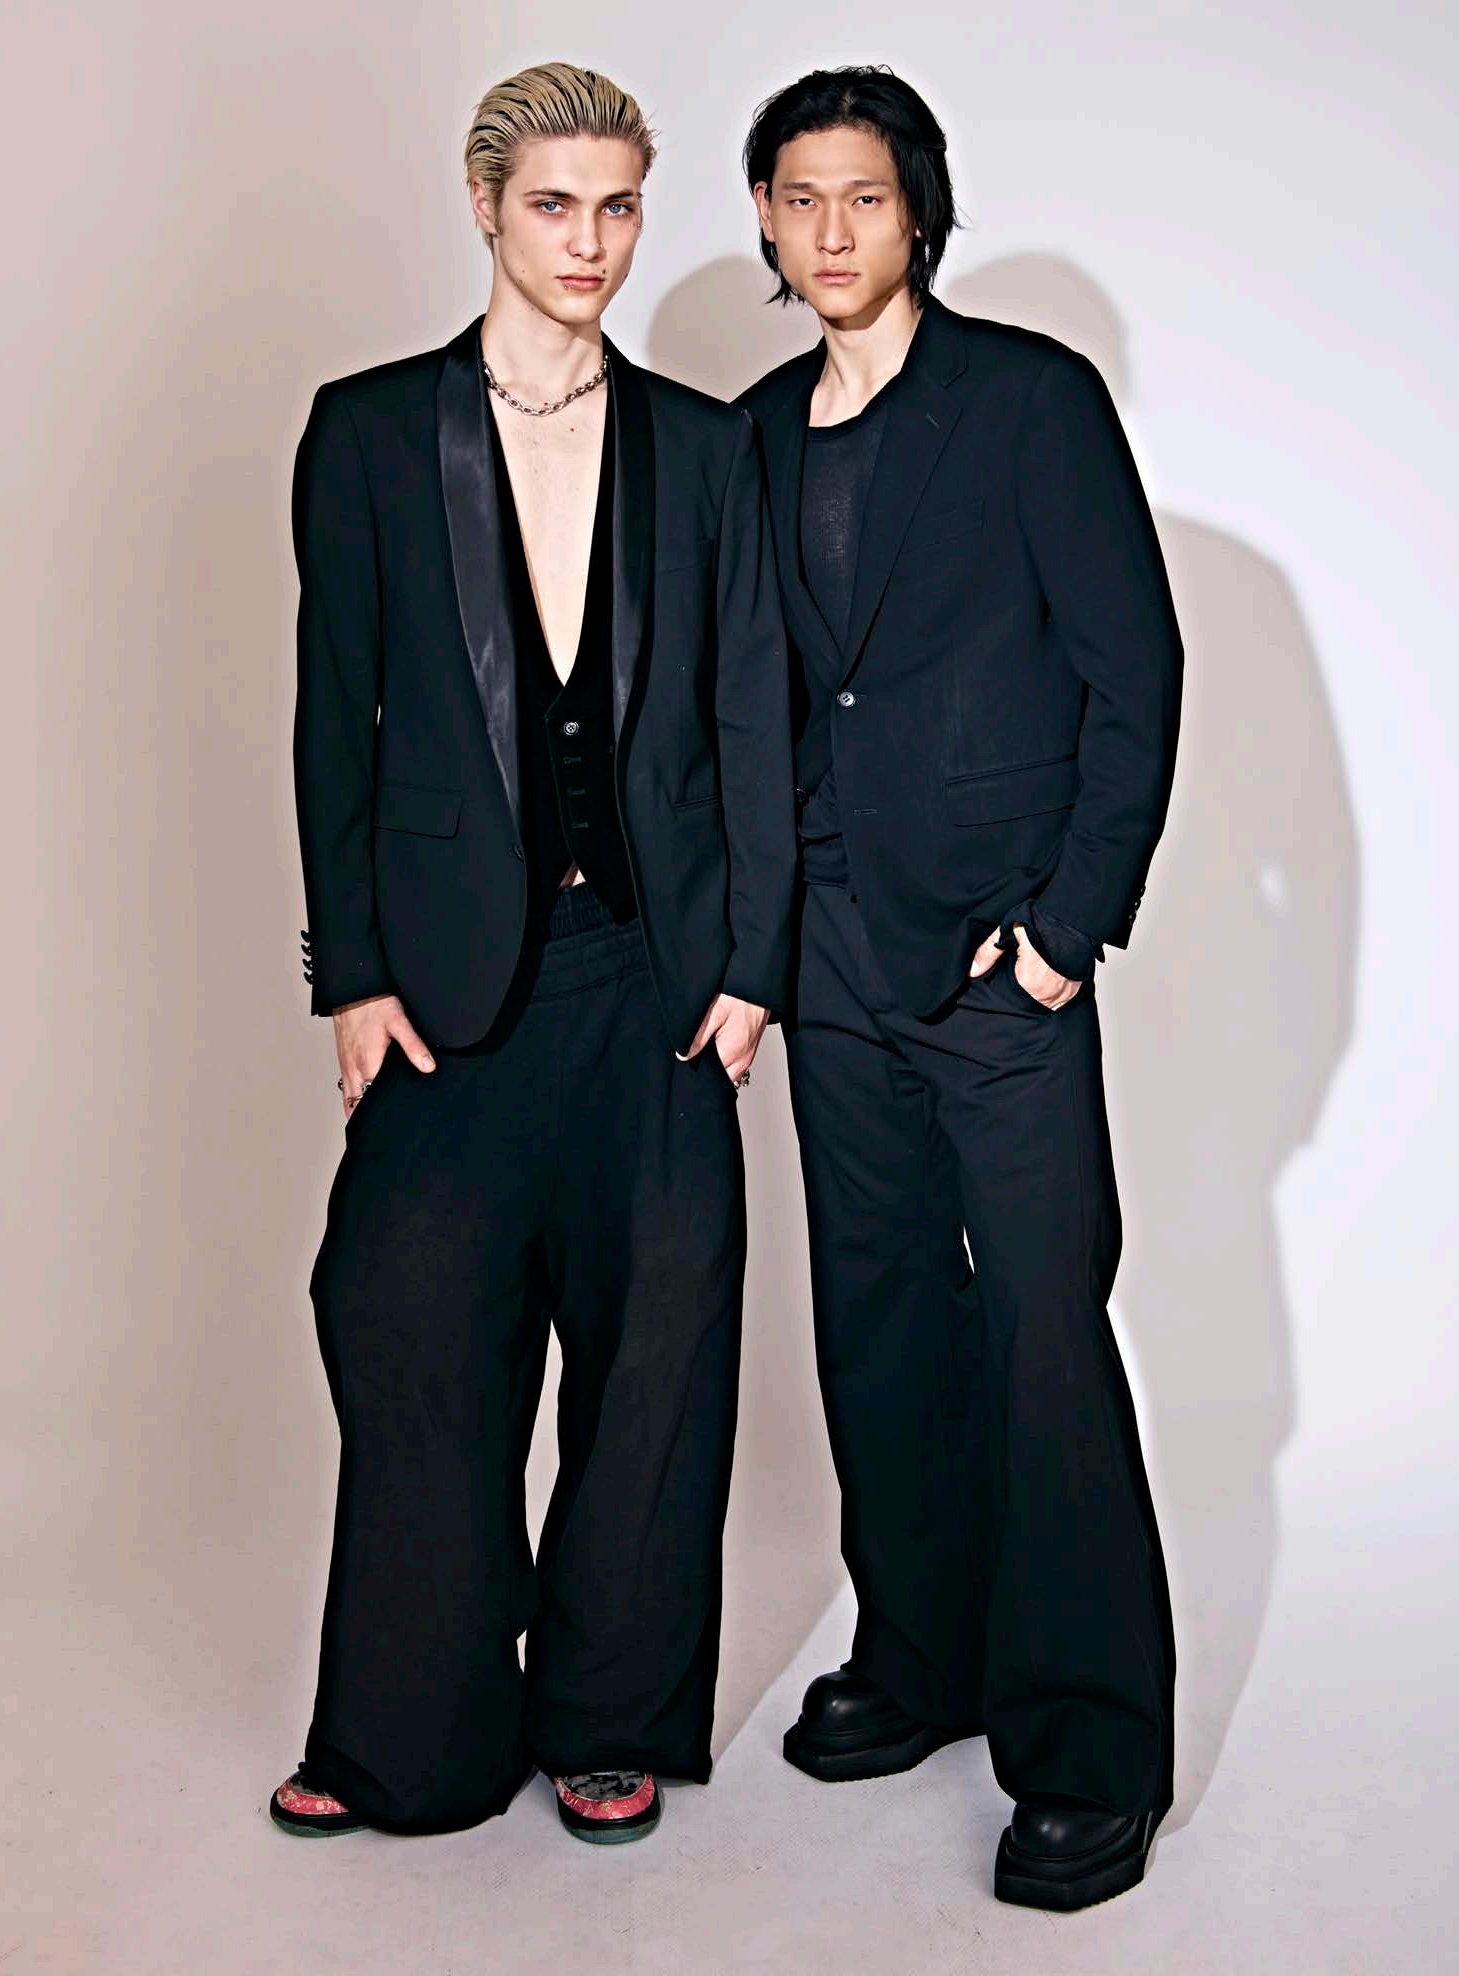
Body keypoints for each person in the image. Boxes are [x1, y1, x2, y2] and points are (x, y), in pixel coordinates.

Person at [271, 60, 794, 1847]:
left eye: (618, 207)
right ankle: (410, 1734)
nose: (590, 241)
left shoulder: (705, 449)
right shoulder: (366, 431)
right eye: (556, 204)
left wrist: (749, 968)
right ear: (485, 205)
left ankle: (606, 1713)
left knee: (655, 1357)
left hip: (656, 977)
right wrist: (350, 973)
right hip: (447, 982)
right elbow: (333, 719)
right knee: (407, 1323)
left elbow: (749, 719)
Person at [737, 67, 1182, 1911]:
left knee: (1043, 1337)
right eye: (797, 199)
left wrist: (1069, 927)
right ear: (764, 225)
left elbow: (1134, 670)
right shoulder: (752, 433)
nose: (830, 231)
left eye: (862, 195)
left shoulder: (1026, 401)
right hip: (827, 955)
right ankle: (923, 1657)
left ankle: (1084, 1747)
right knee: (881, 1319)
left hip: (1000, 959)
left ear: (917, 207)